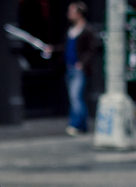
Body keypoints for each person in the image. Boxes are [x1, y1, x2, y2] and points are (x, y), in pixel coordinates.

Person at [45, 2, 97, 136]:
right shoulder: (70, 30)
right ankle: (83, 126)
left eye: (71, 12)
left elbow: (91, 50)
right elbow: (65, 47)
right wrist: (53, 49)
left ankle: (74, 124)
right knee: (76, 98)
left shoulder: (87, 30)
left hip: (79, 69)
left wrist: (82, 63)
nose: (68, 15)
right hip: (68, 68)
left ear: (79, 14)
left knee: (75, 97)